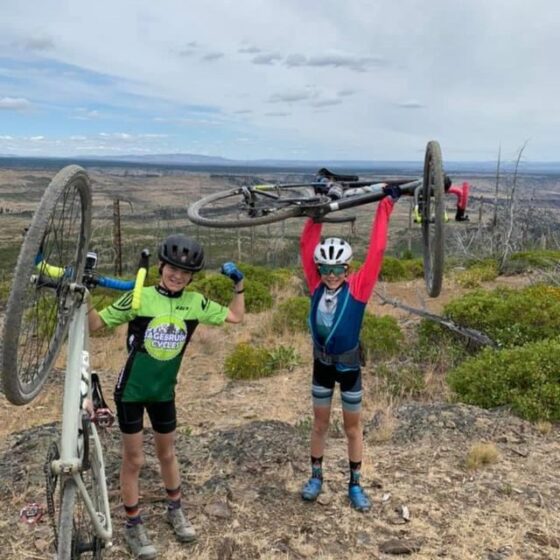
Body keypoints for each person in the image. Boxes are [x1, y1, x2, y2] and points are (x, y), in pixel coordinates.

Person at [87, 233, 245, 560]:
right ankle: (133, 525)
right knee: (134, 459)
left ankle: (176, 510)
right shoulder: (139, 297)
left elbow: (235, 317)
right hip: (130, 390)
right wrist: (85, 295)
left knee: (167, 454)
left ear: (191, 277)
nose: (177, 276)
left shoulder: (195, 302)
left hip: (163, 392)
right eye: (173, 268)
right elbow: (95, 325)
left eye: (185, 273)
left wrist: (238, 286)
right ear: (161, 266)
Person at [298, 183, 401, 512]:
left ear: (348, 269)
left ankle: (355, 484)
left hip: (349, 366)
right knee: (319, 425)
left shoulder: (359, 286)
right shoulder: (315, 284)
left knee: (352, 427)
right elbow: (306, 245)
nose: (330, 275)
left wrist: (386, 206)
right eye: (325, 269)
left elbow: (378, 250)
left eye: (337, 269)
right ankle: (316, 477)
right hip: (322, 365)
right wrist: (317, 215)